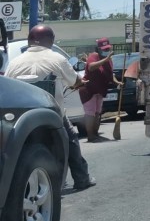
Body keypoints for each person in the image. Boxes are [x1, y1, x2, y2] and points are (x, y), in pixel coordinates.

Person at [5, 25, 97, 190]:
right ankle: (82, 178)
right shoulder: (57, 58)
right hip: (52, 113)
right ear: (51, 40)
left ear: (30, 41)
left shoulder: (14, 63)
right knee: (71, 140)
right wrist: (80, 83)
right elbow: (75, 81)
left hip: (21, 117)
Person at [80, 37, 121, 142]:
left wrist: (117, 82)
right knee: (90, 113)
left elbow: (110, 74)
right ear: (98, 49)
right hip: (89, 90)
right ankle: (90, 135)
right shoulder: (94, 56)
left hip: (100, 90)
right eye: (104, 49)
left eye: (108, 49)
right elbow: (91, 67)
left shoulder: (109, 61)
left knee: (97, 113)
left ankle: (95, 133)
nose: (106, 51)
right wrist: (105, 60)